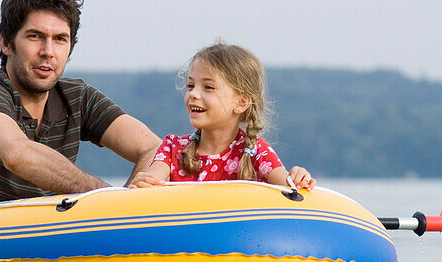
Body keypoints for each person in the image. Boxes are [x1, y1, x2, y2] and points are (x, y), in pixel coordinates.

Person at [0, 0, 160, 202]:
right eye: (35, 36)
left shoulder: (78, 97)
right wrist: (103, 196)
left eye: (60, 39)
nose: (48, 51)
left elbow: (153, 147)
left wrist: (131, 198)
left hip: (49, 233)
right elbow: (17, 153)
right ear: (6, 43)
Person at [130, 42, 315, 190]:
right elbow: (152, 181)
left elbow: (290, 188)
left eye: (208, 87)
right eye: (190, 86)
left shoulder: (256, 152)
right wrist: (146, 181)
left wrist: (298, 178)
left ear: (241, 103)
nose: (193, 94)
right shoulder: (172, 149)